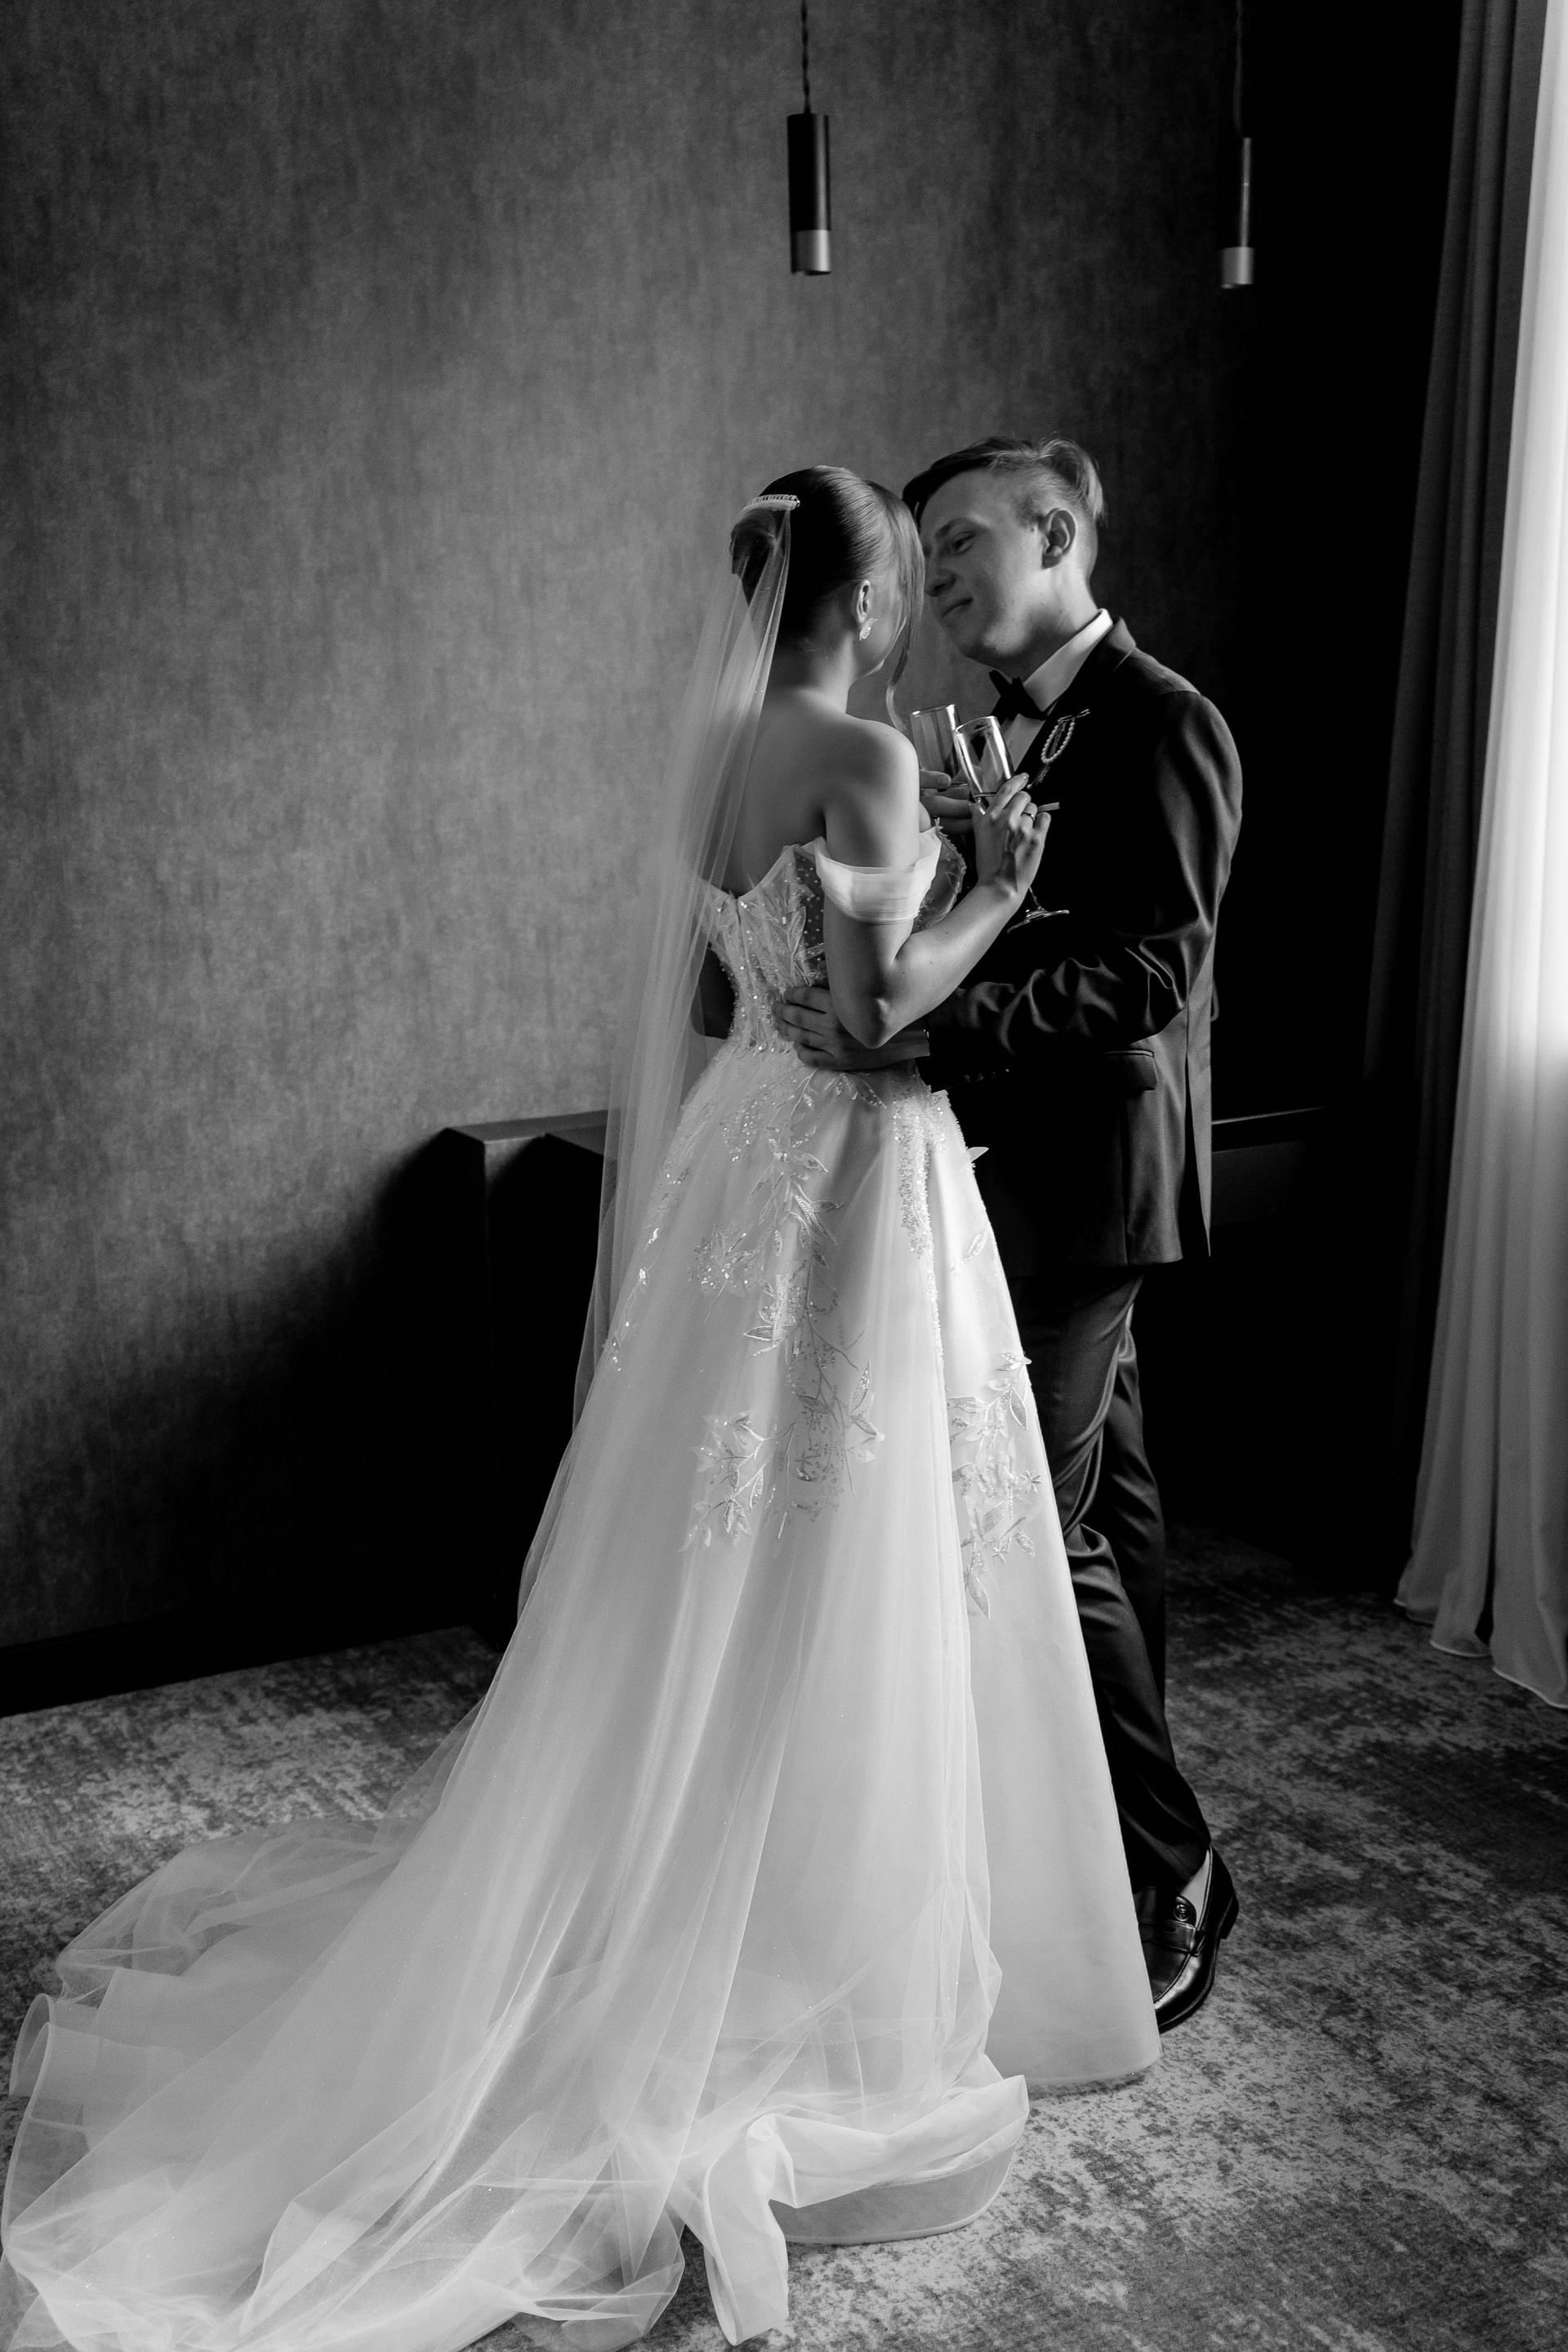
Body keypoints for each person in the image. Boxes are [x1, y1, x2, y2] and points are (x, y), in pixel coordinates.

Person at [0, 470, 1158, 2352]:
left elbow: (728, 1000)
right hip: (853, 1176)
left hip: (746, 1159)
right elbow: (881, 1019)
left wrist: (877, 922)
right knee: (852, 1549)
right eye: (911, 575)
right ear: (870, 601)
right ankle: (820, 1930)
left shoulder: (716, 755)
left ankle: (717, 1880)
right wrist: (997, 889)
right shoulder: (864, 756)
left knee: (730, 1559)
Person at [780, 437, 1244, 2032]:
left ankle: (1167, 1872)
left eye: (965, 540)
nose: (943, 580)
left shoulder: (1169, 724)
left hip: (1093, 1179)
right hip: (988, 1167)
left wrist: (926, 1035)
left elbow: (1149, 976)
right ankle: (1101, 1853)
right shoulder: (972, 729)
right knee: (1110, 1519)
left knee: (1033, 1530)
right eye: (926, 553)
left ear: (1057, 532)